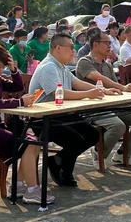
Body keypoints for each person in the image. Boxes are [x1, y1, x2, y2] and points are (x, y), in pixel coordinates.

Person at [0, 44, 53, 204]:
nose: (0, 70)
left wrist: (13, 69)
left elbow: (17, 86)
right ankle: (32, 189)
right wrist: (19, 101)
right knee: (26, 144)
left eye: (2, 67)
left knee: (33, 142)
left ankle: (18, 185)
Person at [29, 34, 102, 187]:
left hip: (61, 115)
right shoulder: (48, 66)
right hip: (43, 120)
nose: (73, 51)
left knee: (92, 133)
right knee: (77, 137)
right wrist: (88, 94)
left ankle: (57, 162)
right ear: (58, 48)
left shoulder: (60, 66)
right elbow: (59, 93)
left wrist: (102, 90)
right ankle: (62, 170)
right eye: (70, 48)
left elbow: (77, 83)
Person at [76, 31, 131, 166]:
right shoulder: (84, 61)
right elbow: (98, 77)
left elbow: (116, 88)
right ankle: (99, 152)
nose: (110, 46)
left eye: (110, 43)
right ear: (96, 44)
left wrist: (125, 89)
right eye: (107, 43)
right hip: (93, 109)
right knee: (118, 125)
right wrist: (122, 87)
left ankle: (123, 154)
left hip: (112, 106)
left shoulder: (107, 65)